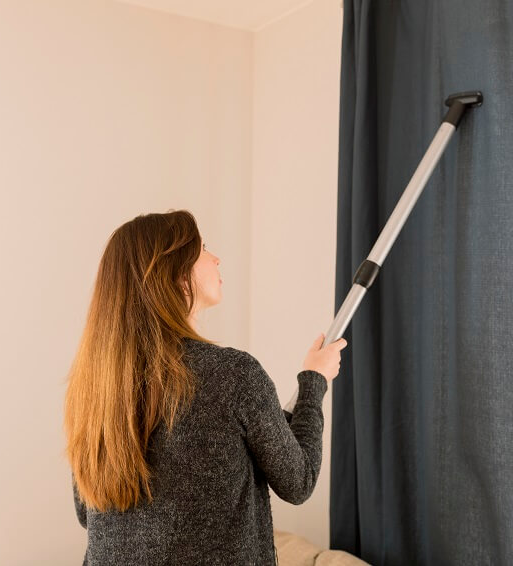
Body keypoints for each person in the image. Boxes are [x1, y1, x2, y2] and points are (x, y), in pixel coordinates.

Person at [63, 209, 347, 565]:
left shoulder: (93, 389)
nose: (216, 259)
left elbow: (86, 513)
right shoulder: (234, 374)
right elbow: (298, 480)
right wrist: (314, 383)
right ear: (178, 275)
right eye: (203, 249)